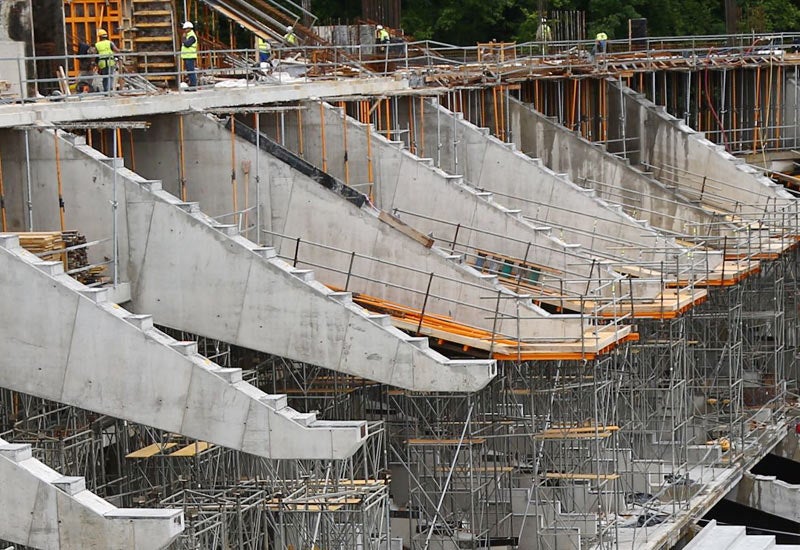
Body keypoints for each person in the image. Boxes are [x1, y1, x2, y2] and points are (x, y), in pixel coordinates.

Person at [181, 21, 198, 88]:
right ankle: (191, 85)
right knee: (189, 72)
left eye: (186, 29)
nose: (184, 30)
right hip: (187, 56)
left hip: (190, 56)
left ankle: (193, 86)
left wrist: (184, 38)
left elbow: (187, 44)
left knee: (191, 72)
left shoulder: (192, 36)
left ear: (189, 28)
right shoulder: (189, 35)